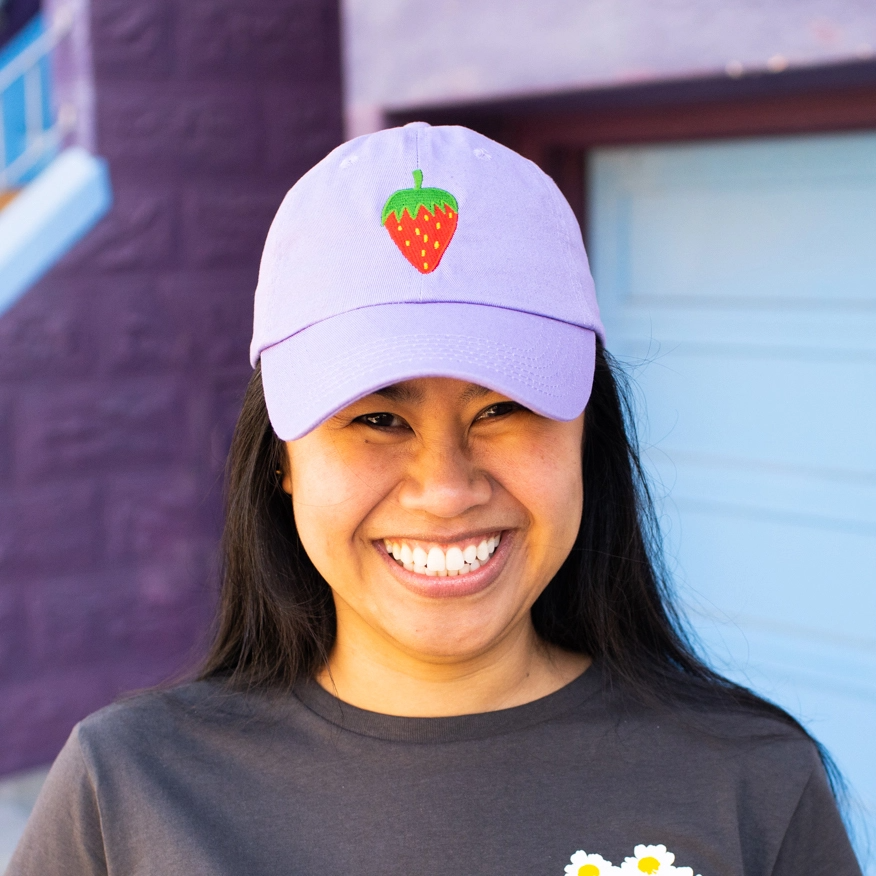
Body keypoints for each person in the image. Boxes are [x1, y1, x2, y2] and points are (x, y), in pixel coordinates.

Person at [9, 123, 862, 876]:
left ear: (586, 440)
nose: (447, 489)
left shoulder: (754, 783)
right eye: (377, 418)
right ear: (282, 461)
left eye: (502, 409)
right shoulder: (124, 793)